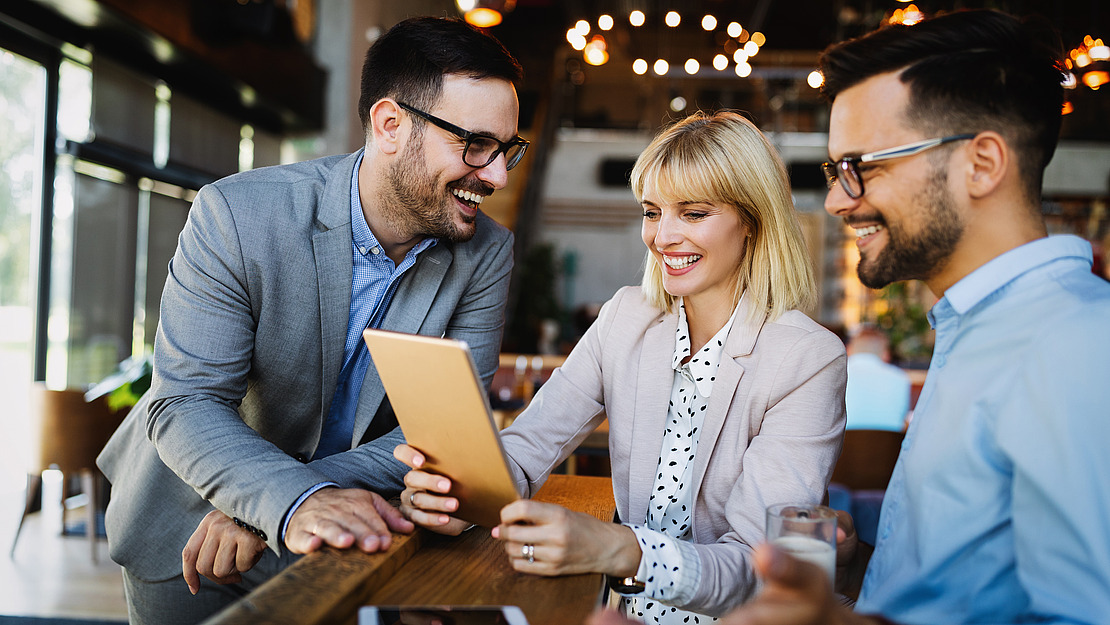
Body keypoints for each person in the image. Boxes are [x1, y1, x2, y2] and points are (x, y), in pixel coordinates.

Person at [590, 8, 1110, 625]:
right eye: (838, 171)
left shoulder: (1080, 346)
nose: (838, 198)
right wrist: (860, 560)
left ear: (983, 163)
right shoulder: (982, 328)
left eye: (862, 167)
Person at [95, 16, 526, 625]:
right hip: (193, 527)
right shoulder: (237, 214)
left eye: (506, 148)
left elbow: (444, 433)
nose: (498, 175)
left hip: (350, 525)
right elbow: (186, 403)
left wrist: (295, 497)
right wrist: (290, 500)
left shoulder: (486, 252)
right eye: (475, 145)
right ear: (390, 126)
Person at [398, 110, 847, 623]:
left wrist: (619, 548)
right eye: (653, 212)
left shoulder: (807, 358)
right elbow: (527, 449)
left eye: (694, 213)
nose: (663, 237)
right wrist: (458, 496)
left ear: (751, 220)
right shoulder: (625, 317)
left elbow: (755, 565)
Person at [843, 324, 910, 431]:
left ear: (848, 349)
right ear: (886, 354)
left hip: (843, 446)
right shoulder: (901, 377)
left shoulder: (838, 373)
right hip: (889, 446)